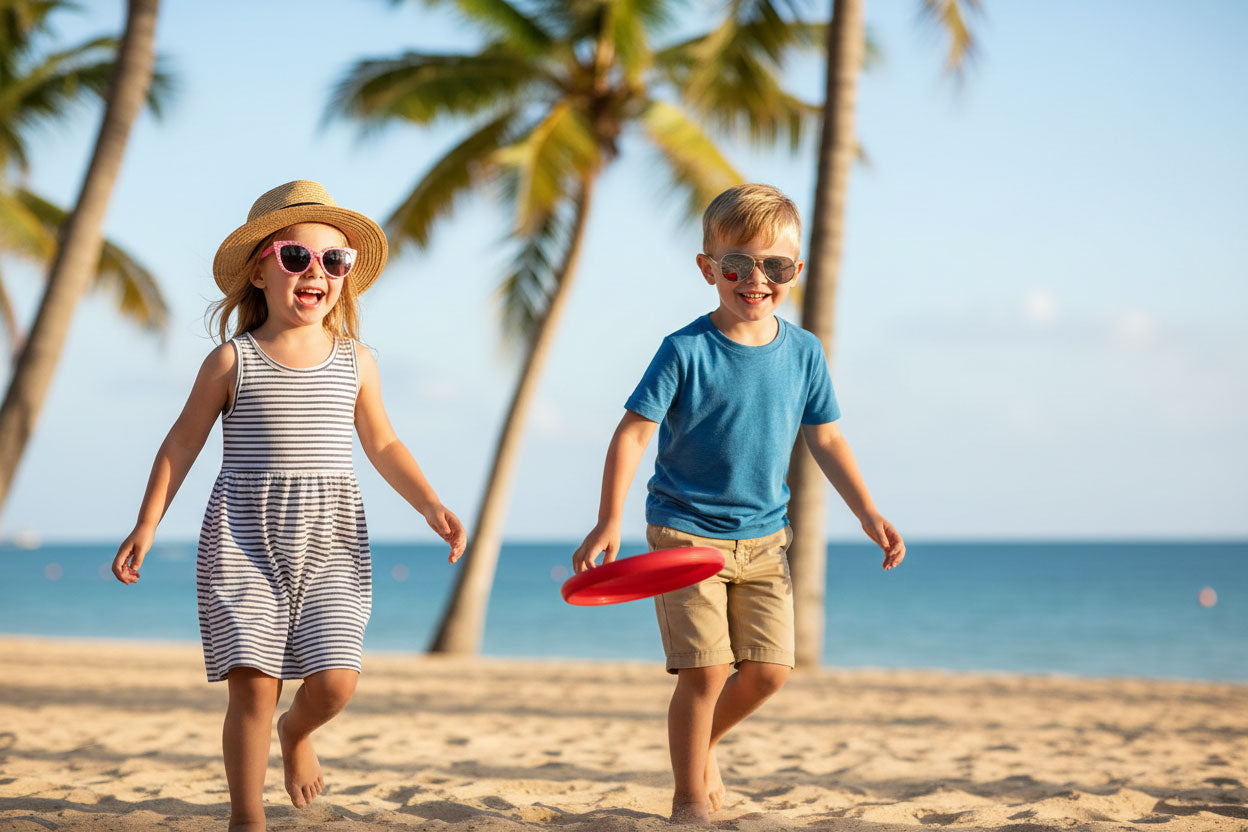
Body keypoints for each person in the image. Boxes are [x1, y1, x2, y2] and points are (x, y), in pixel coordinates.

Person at [112, 180, 467, 831]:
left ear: (346, 277)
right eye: (295, 257)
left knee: (336, 683)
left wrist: (430, 504)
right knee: (252, 684)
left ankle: (297, 735)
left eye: (335, 261)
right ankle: (247, 817)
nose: (317, 273)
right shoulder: (232, 360)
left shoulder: (356, 362)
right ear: (259, 270)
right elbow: (182, 441)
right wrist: (147, 521)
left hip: (332, 543)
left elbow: (383, 442)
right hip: (243, 540)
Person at [572, 183, 906, 825]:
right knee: (706, 672)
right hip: (683, 533)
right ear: (709, 270)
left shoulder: (804, 352)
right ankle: (689, 799)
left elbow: (827, 436)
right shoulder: (685, 349)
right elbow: (634, 432)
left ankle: (705, 747)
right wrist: (609, 518)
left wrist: (867, 511)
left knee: (769, 672)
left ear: (795, 272)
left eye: (775, 266)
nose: (757, 279)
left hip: (765, 537)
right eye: (738, 265)